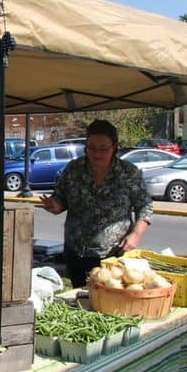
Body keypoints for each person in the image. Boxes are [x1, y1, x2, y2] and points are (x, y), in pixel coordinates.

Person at [40, 119, 153, 287]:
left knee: (110, 299)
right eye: (91, 148)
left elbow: (145, 206)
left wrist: (135, 235)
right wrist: (55, 205)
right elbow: (61, 198)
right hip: (76, 251)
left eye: (103, 149)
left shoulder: (129, 173)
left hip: (114, 255)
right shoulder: (74, 169)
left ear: (114, 146)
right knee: (81, 298)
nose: (96, 154)